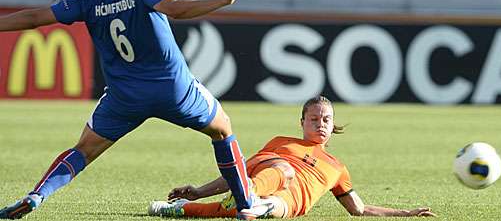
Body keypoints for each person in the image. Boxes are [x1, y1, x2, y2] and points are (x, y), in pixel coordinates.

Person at [0, 0, 267, 220]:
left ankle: (37, 195)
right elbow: (176, 9)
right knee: (223, 129)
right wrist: (223, 0)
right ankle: (246, 206)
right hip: (173, 90)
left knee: (84, 151)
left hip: (124, 96)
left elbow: (32, 18)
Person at [149, 96, 437, 219]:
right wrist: (200, 190)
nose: (320, 123)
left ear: (333, 124)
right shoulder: (281, 143)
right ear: (302, 122)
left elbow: (359, 210)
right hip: (268, 177)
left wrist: (406, 214)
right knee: (283, 171)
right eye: (314, 118)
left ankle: (176, 209)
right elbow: (239, 171)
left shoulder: (337, 168)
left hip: (285, 204)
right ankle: (250, 198)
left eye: (326, 119)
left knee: (263, 208)